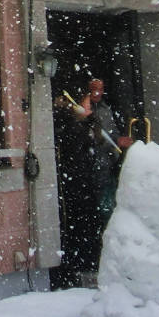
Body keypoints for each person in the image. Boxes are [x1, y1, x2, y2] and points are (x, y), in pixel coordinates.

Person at [62, 77, 127, 217]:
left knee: (109, 202)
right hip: (88, 168)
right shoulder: (77, 114)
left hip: (107, 165)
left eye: (100, 89)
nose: (97, 93)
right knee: (93, 207)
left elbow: (111, 132)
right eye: (93, 90)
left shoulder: (105, 109)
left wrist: (118, 140)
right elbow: (82, 138)